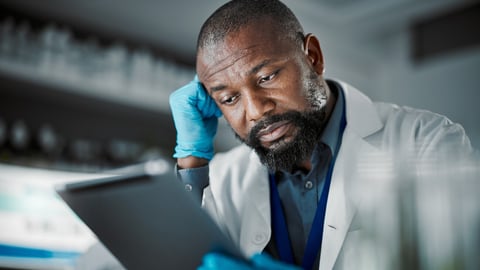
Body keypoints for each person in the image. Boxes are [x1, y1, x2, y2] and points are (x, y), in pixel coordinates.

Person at [169, 0, 479, 270]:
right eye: (229, 98)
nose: (255, 111)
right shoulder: (223, 179)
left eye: (266, 77)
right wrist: (191, 160)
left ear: (313, 57)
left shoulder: (424, 139)